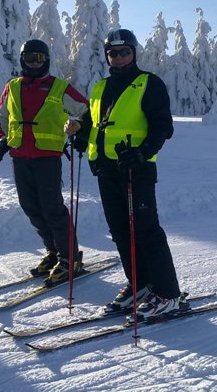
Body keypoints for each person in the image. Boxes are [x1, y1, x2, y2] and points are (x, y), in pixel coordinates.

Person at [78, 29, 183, 320]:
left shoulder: (148, 83)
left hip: (136, 169)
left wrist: (143, 151)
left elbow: (163, 127)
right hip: (106, 169)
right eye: (113, 53)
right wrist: (78, 134)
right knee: (121, 231)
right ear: (107, 56)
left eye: (124, 52)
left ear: (134, 53)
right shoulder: (100, 87)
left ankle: (168, 294)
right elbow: (93, 124)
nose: (119, 57)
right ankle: (139, 285)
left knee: (146, 230)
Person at [0, 39, 88, 286]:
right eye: (29, 58)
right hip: (20, 157)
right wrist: (3, 138)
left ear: (46, 60)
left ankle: (71, 259)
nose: (34, 63)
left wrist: (78, 127)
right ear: (22, 60)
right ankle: (54, 252)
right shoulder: (12, 86)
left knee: (52, 209)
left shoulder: (59, 87)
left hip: (47, 157)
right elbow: (2, 115)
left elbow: (86, 110)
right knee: (30, 207)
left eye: (39, 58)